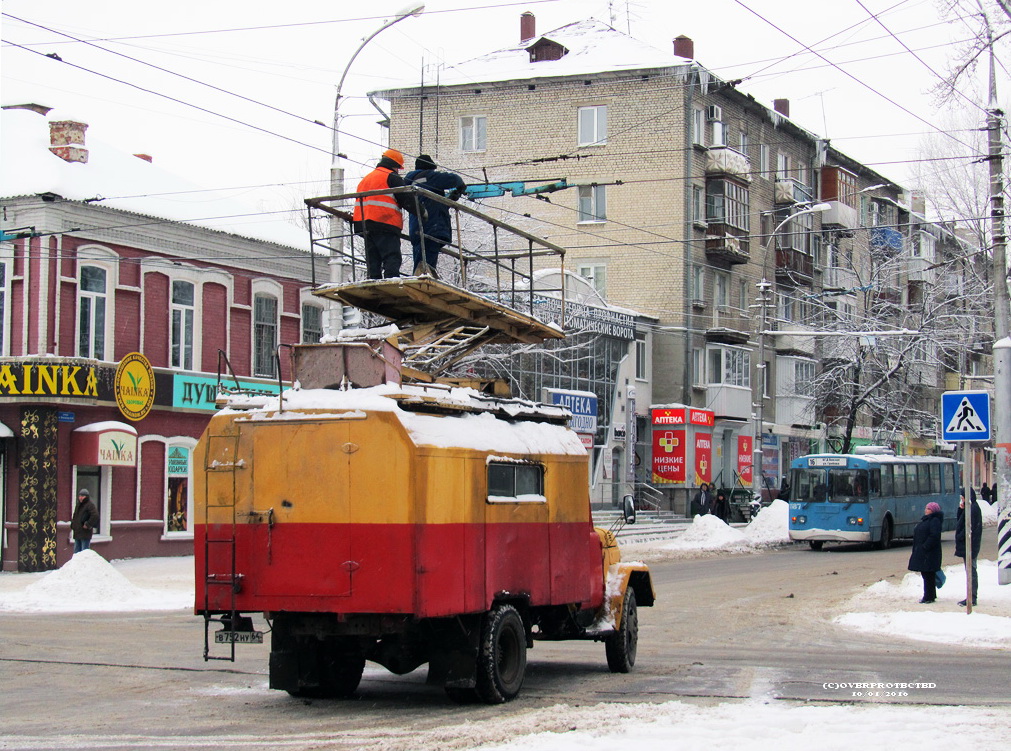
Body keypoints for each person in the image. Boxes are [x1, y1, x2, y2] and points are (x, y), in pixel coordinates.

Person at [352, 149, 416, 280]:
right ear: (395, 165)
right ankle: (391, 281)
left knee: (373, 257)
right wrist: (421, 212)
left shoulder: (366, 179)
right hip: (384, 221)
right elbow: (406, 199)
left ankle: (373, 280)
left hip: (363, 224)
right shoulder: (391, 177)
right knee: (391, 256)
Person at [403, 154, 466, 276]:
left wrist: (448, 199)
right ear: (429, 168)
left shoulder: (411, 181)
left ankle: (422, 276)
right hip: (431, 227)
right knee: (427, 260)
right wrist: (461, 185)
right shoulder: (428, 176)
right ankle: (424, 279)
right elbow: (453, 179)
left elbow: (430, 204)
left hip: (417, 227)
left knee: (420, 258)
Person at [907, 501, 943, 604]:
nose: (925, 510)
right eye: (926, 508)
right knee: (926, 574)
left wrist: (925, 546)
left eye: (928, 509)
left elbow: (934, 536)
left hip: (929, 553)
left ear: (933, 511)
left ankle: (928, 596)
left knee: (928, 575)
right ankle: (930, 595)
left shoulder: (934, 521)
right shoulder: (928, 520)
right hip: (925, 553)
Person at [955, 488, 983, 607]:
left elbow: (969, 527)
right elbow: (960, 521)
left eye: (963, 498)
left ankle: (972, 597)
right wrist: (961, 509)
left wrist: (961, 536)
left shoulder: (973, 509)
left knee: (971, 570)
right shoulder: (969, 508)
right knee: (969, 570)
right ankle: (970, 596)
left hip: (971, 545)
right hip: (969, 544)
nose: (962, 500)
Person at [71, 488, 98, 554]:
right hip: (77, 532)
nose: (80, 498)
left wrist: (88, 524)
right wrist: (73, 524)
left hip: (85, 533)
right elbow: (75, 516)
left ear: (86, 497)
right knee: (76, 553)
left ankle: (84, 564)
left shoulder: (90, 505)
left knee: (84, 553)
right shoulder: (78, 505)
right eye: (80, 496)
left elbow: (95, 515)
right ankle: (77, 564)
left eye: (82, 496)